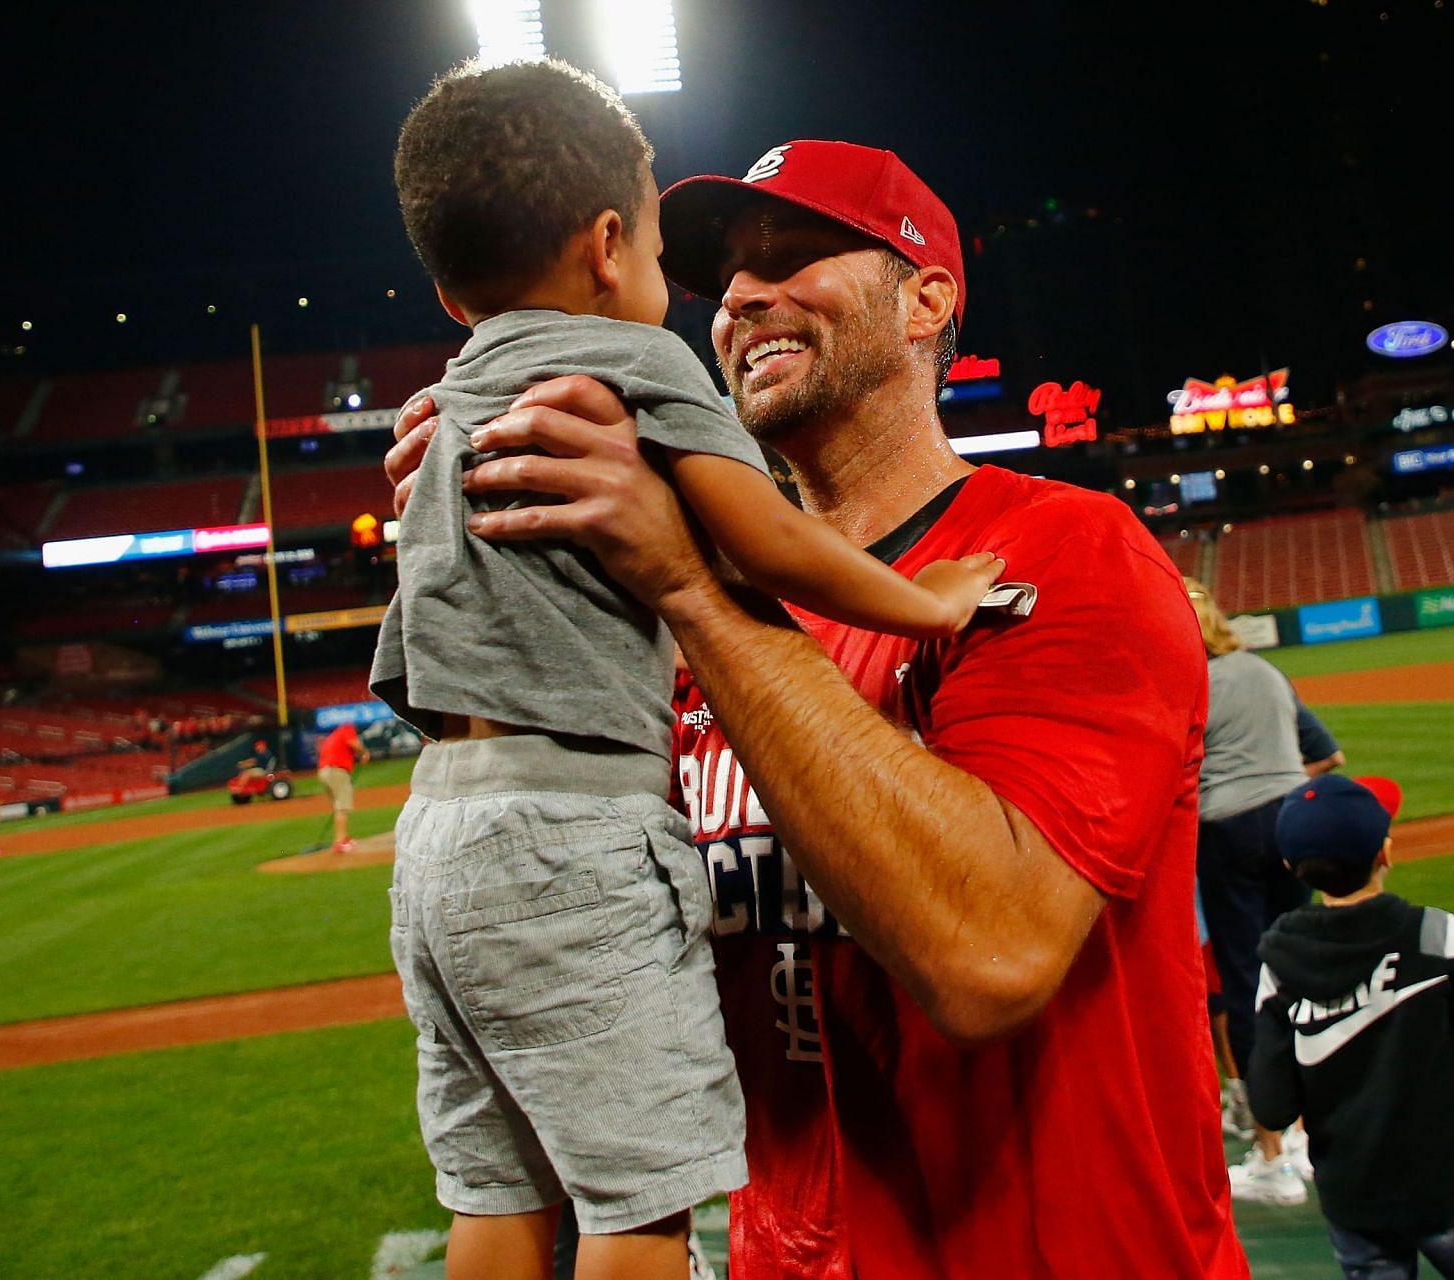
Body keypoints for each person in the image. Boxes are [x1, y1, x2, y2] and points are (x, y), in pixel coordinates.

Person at [387, 137, 1246, 1277]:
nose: (742, 295)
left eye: (795, 255)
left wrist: (694, 585)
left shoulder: (1065, 553)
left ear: (926, 299)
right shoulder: (661, 622)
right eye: (727, 276)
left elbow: (992, 950)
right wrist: (476, 533)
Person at [371, 65, 1002, 1280]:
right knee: (633, 1201)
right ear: (610, 245)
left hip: (440, 834)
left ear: (451, 291)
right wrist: (926, 600)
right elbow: (766, 536)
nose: (725, 294)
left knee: (498, 1194)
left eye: (792, 258)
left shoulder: (447, 405)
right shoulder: (635, 358)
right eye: (690, 255)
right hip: (572, 826)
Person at [1249, 775, 1454, 1280]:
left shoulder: (1278, 967)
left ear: (1290, 867)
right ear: (1385, 852)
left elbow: (1273, 1106)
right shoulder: (1436, 936)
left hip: (1356, 1202)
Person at [1182, 578, 1322, 1200]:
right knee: (1305, 974)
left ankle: (1272, 1154)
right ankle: (1315, 1137)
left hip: (1229, 831)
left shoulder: (1186, 682)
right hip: (1297, 819)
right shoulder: (1264, 670)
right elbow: (1327, 755)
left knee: (1245, 984)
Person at [315, 721, 368, 855]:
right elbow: (354, 743)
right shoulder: (347, 728)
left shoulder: (334, 735)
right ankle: (340, 842)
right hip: (336, 770)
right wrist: (364, 752)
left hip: (324, 771)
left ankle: (344, 837)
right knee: (342, 807)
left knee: (338, 806)